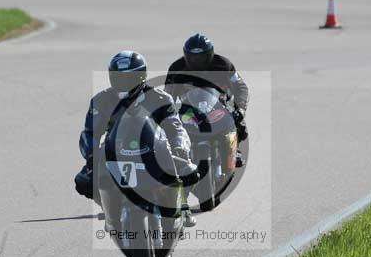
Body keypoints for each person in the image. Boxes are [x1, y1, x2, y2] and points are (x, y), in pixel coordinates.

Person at [74, 50, 197, 227]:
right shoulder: (101, 101)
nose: (123, 83)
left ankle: (181, 205)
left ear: (141, 77)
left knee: (189, 169)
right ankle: (111, 210)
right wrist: (91, 154)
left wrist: (179, 148)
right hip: (116, 153)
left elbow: (176, 128)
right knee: (84, 180)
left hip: (155, 152)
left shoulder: (161, 98)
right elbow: (89, 132)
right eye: (118, 78)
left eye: (129, 78)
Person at [165, 33, 249, 166]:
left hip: (218, 104)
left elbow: (240, 87)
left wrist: (241, 109)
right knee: (170, 127)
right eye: (193, 58)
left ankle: (234, 149)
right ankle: (179, 151)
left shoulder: (224, 65)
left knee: (240, 125)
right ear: (186, 55)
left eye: (201, 57)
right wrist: (167, 111)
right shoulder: (176, 68)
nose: (197, 61)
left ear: (210, 54)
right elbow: (168, 94)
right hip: (189, 107)